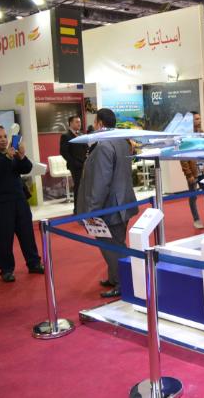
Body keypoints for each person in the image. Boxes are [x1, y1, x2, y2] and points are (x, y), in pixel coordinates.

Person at [77, 109, 138, 298]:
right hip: (122, 203)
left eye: (95, 122)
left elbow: (101, 182)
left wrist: (92, 211)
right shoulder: (121, 141)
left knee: (111, 246)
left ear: (100, 123)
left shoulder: (104, 145)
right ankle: (114, 277)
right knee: (116, 242)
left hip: (110, 207)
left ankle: (123, 283)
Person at [0, 125, 44, 282]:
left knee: (27, 234)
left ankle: (34, 263)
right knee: (4, 238)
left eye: (4, 136)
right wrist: (8, 157)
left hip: (20, 200)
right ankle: (6, 270)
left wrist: (22, 156)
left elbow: (26, 168)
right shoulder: (6, 156)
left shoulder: (12, 153)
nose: (3, 140)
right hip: (2, 204)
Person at [180, 112, 204, 229]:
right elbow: (183, 156)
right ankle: (196, 219)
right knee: (193, 196)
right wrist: (188, 174)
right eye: (196, 119)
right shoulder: (185, 136)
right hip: (193, 172)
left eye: (199, 118)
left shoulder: (202, 134)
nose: (199, 120)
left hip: (203, 170)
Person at [60, 115, 88, 213]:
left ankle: (85, 207)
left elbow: (85, 148)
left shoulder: (81, 134)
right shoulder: (66, 136)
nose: (79, 124)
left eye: (79, 122)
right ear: (71, 123)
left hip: (85, 164)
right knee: (78, 186)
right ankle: (77, 209)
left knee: (85, 187)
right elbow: (64, 152)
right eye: (77, 122)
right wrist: (74, 162)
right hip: (75, 166)